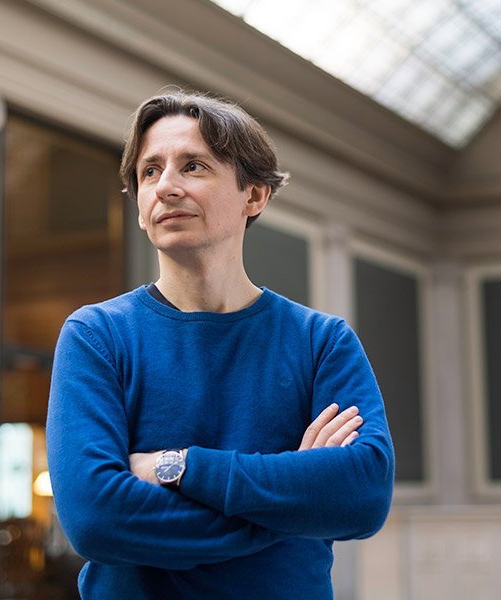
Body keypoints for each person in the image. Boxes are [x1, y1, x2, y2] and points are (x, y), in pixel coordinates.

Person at [45, 90, 395, 599]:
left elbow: (362, 496)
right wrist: (290, 505)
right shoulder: (96, 336)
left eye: (193, 167)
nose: (166, 186)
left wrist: (180, 466)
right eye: (150, 171)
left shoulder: (322, 342)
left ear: (254, 195)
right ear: (140, 210)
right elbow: (96, 518)